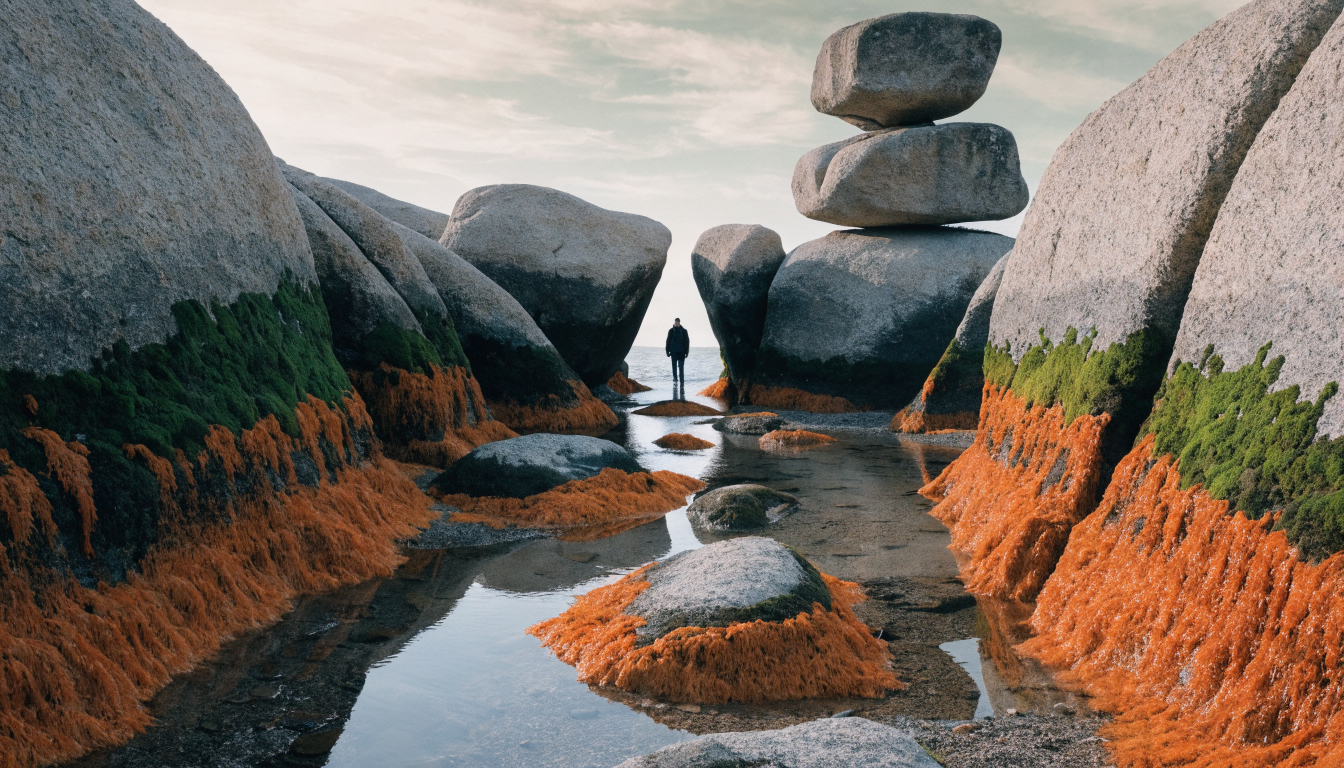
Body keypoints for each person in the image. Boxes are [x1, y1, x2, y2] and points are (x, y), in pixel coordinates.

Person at [665, 318, 690, 388]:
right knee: (674, 367)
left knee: (681, 367)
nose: (676, 324)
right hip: (673, 352)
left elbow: (687, 342)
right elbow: (668, 341)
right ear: (674, 323)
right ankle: (675, 380)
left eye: (677, 323)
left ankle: (682, 382)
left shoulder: (684, 331)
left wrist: (687, 352)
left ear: (679, 323)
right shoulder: (671, 331)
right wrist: (667, 351)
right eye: (675, 323)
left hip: (681, 352)